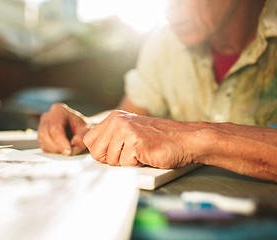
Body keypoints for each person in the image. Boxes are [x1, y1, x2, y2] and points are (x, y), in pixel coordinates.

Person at [37, 0, 277, 182]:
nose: (169, 10)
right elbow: (129, 115)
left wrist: (195, 139)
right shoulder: (165, 42)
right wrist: (87, 127)